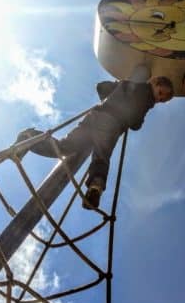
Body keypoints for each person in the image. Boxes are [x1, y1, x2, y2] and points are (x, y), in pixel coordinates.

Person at [16, 76, 174, 209]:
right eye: (160, 93)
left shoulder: (125, 83)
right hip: (111, 123)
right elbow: (136, 123)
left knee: (65, 147)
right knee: (101, 155)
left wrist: (115, 95)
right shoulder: (146, 97)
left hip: (94, 116)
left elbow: (101, 87)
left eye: (162, 100)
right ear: (154, 82)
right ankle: (95, 187)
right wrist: (135, 115)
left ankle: (29, 137)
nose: (158, 99)